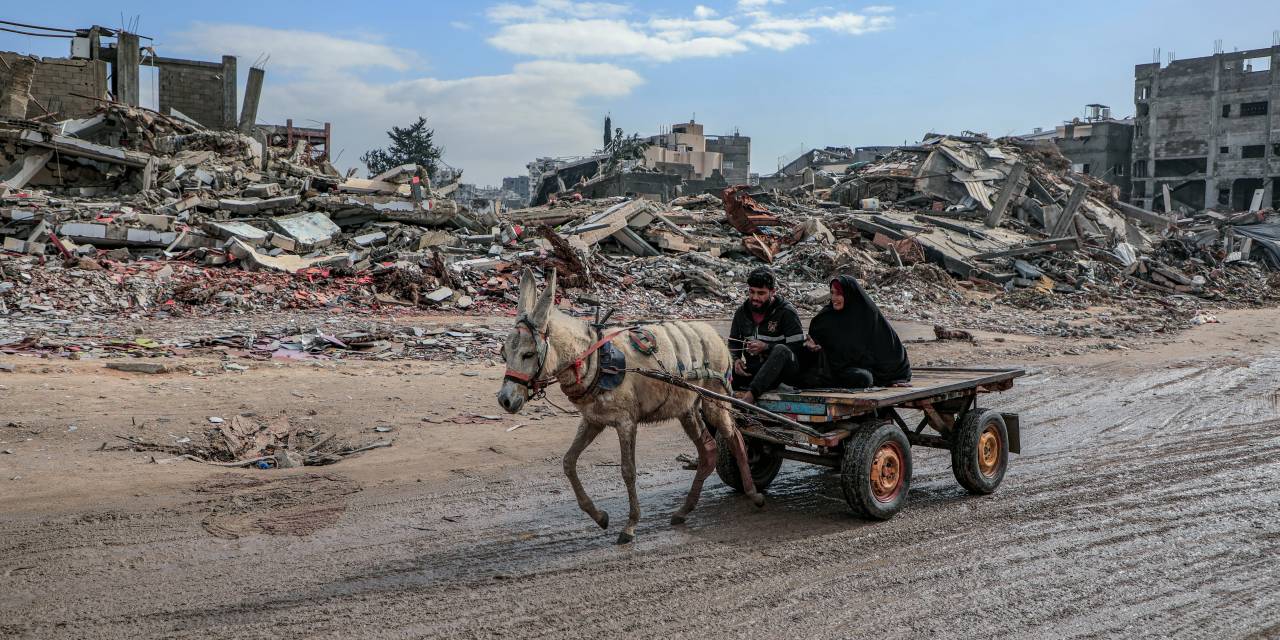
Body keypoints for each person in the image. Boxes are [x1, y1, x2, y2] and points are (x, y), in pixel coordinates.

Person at [801, 274, 911, 389]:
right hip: (829, 369)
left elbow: (890, 348)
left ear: (849, 294)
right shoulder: (825, 317)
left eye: (839, 294)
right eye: (832, 293)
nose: (833, 298)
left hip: (853, 370)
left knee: (864, 378)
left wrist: (895, 377)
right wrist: (811, 347)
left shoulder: (867, 314)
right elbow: (814, 344)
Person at [729, 267, 805, 404]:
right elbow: (733, 343)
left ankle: (749, 399)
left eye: (761, 293)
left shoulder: (786, 313)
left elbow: (798, 349)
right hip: (756, 371)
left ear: (772, 292)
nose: (755, 298)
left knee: (780, 350)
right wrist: (735, 360)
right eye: (751, 292)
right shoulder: (741, 313)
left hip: (785, 373)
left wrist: (767, 347)